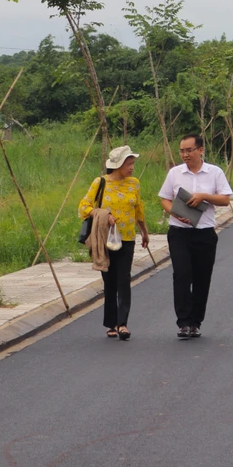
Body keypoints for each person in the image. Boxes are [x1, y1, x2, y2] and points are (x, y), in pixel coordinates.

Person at [159, 134, 233, 339]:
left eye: (189, 150)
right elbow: (164, 198)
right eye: (182, 151)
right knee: (181, 274)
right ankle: (183, 321)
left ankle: (196, 322)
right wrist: (174, 212)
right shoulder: (175, 173)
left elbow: (225, 199)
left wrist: (204, 196)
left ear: (201, 150)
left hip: (204, 233)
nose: (185, 155)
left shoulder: (214, 173)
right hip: (179, 233)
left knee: (202, 278)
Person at [79, 145, 151, 341]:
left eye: (133, 163)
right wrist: (104, 215)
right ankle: (110, 323)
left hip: (127, 238)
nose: (132, 167)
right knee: (109, 282)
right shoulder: (100, 182)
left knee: (124, 280)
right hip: (106, 240)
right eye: (129, 164)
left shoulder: (134, 183)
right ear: (118, 165)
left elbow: (138, 209)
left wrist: (144, 232)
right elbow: (84, 207)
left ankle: (123, 324)